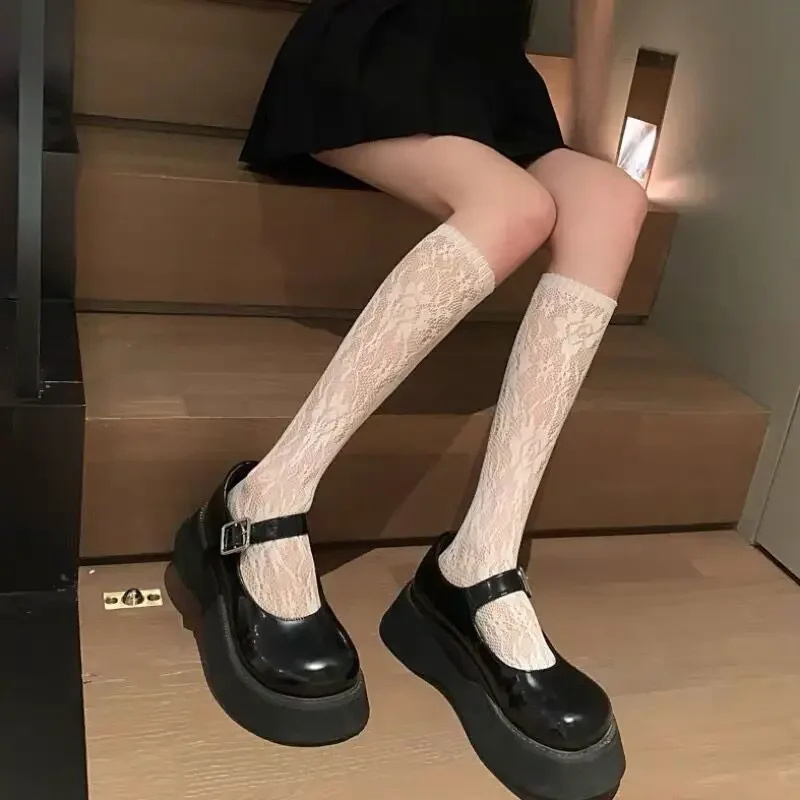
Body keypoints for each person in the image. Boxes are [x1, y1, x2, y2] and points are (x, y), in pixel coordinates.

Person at [171, 1, 646, 798]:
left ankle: (481, 561)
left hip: (494, 83)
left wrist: (591, 149)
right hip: (380, 43)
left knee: (613, 199)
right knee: (516, 208)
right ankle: (264, 498)